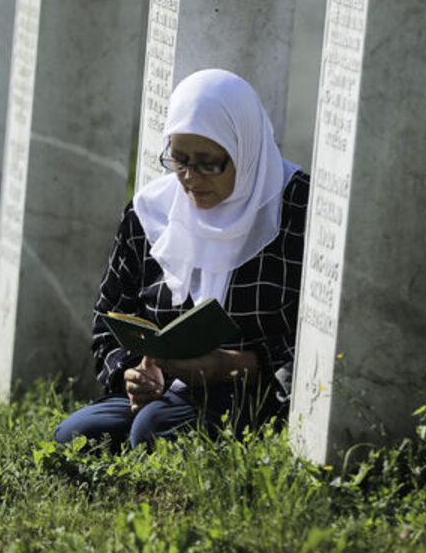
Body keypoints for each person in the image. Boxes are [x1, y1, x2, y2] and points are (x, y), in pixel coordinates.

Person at [53, 69, 310, 451]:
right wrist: (136, 372)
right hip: (167, 390)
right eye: (179, 159)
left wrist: (233, 365)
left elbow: (318, 338)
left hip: (257, 392)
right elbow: (109, 318)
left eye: (209, 163)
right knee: (76, 434)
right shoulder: (152, 212)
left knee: (153, 429)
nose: (190, 178)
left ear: (245, 148)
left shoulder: (295, 210)